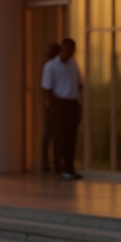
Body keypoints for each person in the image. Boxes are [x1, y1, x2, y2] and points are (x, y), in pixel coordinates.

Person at [41, 37, 84, 181]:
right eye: (68, 49)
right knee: (60, 137)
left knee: (71, 138)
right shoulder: (51, 66)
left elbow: (79, 84)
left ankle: (69, 167)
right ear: (62, 49)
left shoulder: (73, 65)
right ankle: (59, 166)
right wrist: (55, 107)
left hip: (72, 102)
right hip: (59, 103)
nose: (70, 53)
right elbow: (46, 89)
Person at [39, 42, 61, 173]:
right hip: (52, 106)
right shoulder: (50, 66)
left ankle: (54, 162)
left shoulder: (59, 66)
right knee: (49, 134)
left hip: (56, 104)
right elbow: (46, 88)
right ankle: (47, 163)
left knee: (55, 135)